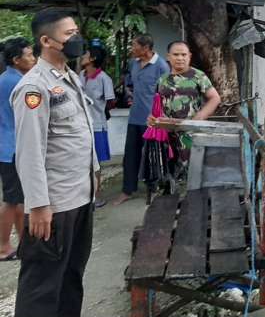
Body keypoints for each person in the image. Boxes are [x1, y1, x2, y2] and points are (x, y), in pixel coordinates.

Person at [11, 9, 99, 317]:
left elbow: (80, 133)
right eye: (69, 35)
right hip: (54, 205)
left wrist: (95, 173)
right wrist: (37, 205)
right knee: (42, 287)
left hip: (80, 196)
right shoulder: (34, 88)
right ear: (46, 41)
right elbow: (29, 151)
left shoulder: (70, 77)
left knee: (71, 277)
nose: (77, 39)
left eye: (76, 32)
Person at [148, 40, 221, 169]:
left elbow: (215, 98)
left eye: (184, 54)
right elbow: (157, 105)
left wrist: (200, 116)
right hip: (167, 135)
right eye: (176, 54)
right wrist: (153, 119)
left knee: (193, 170)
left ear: (189, 56)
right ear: (168, 57)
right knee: (169, 171)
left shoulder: (198, 76)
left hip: (190, 134)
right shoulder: (162, 80)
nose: (180, 58)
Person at [114, 34, 169, 205]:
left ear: (146, 48)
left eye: (134, 45)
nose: (132, 48)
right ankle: (127, 190)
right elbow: (131, 85)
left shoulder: (161, 66)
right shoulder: (134, 64)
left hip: (153, 120)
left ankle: (153, 190)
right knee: (130, 155)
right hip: (135, 117)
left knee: (152, 155)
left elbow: (167, 94)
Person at [0, 38, 37, 261]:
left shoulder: (7, 78)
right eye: (30, 55)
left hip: (8, 145)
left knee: (18, 198)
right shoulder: (18, 83)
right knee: (12, 200)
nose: (33, 59)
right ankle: (4, 246)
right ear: (16, 60)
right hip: (12, 147)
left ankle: (23, 242)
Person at [79, 44, 116, 208]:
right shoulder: (80, 75)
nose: (82, 57)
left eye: (86, 54)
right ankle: (84, 195)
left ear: (92, 59)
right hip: (81, 125)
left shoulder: (104, 78)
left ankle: (95, 195)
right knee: (82, 161)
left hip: (97, 125)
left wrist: (99, 110)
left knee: (96, 163)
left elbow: (110, 101)